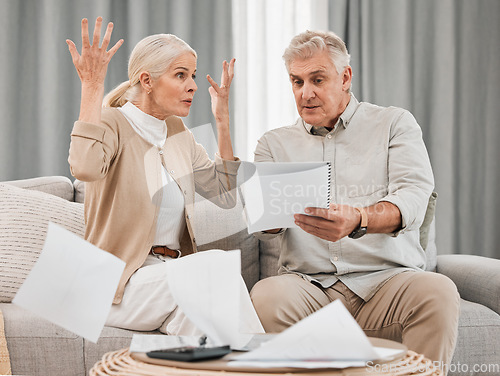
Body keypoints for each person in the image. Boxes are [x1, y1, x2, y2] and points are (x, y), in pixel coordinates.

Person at [249, 30, 460, 373]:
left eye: (317, 79)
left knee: (438, 292)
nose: (305, 93)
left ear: (345, 77)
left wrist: (360, 218)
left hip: (387, 283)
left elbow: (412, 197)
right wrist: (265, 210)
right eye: (297, 81)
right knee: (267, 296)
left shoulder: (394, 124)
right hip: (309, 288)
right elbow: (265, 227)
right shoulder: (274, 145)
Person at [66, 17, 240, 335]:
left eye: (193, 76)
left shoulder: (177, 132)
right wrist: (91, 86)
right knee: (215, 267)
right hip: (116, 283)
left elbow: (224, 193)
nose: (194, 85)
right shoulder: (112, 122)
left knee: (206, 335)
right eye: (181, 75)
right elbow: (85, 167)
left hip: (167, 279)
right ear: (147, 81)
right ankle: (270, 362)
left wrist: (223, 122)